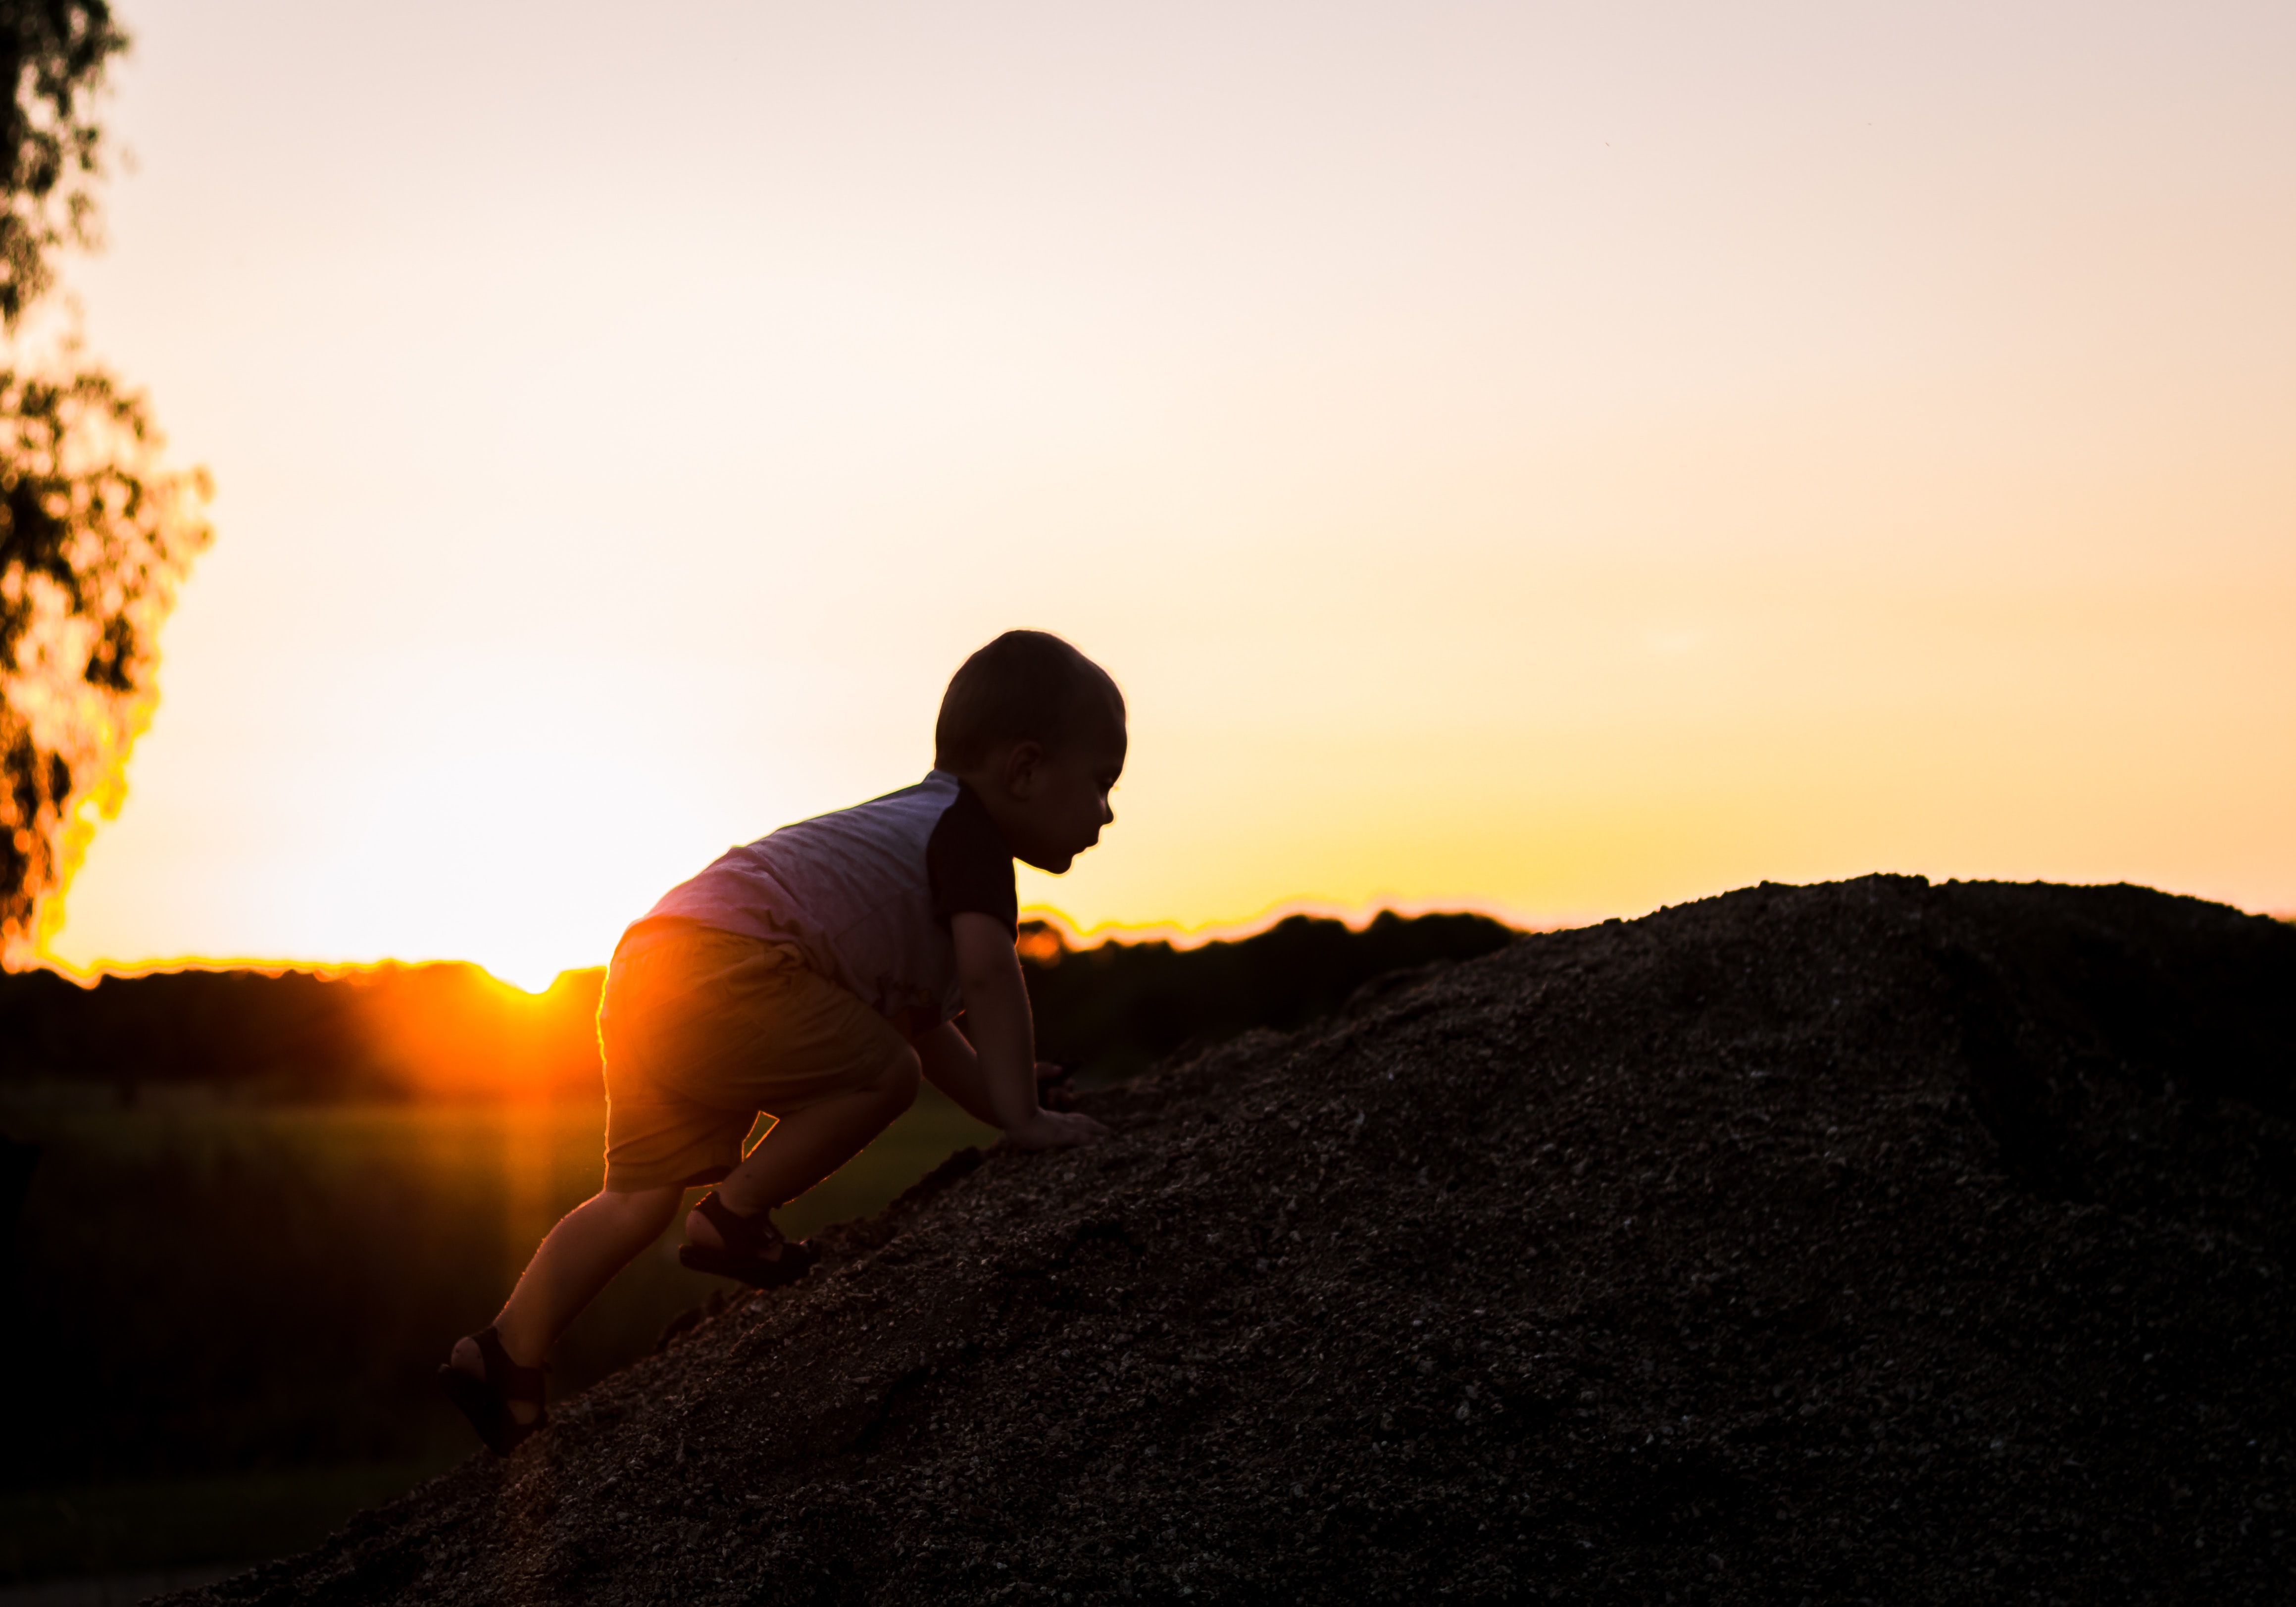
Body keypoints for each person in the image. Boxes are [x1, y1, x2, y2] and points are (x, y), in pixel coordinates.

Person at [439, 630, 1121, 1454]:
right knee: (883, 1075)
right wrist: (1026, 1120)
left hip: (652, 962)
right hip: (725, 964)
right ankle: (735, 1216)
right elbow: (987, 975)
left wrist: (1010, 1092)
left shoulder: (911, 838)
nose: (1107, 812)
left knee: (635, 1199)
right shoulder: (967, 837)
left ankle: (506, 1350)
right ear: (1023, 768)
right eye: (1101, 782)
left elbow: (930, 1026)